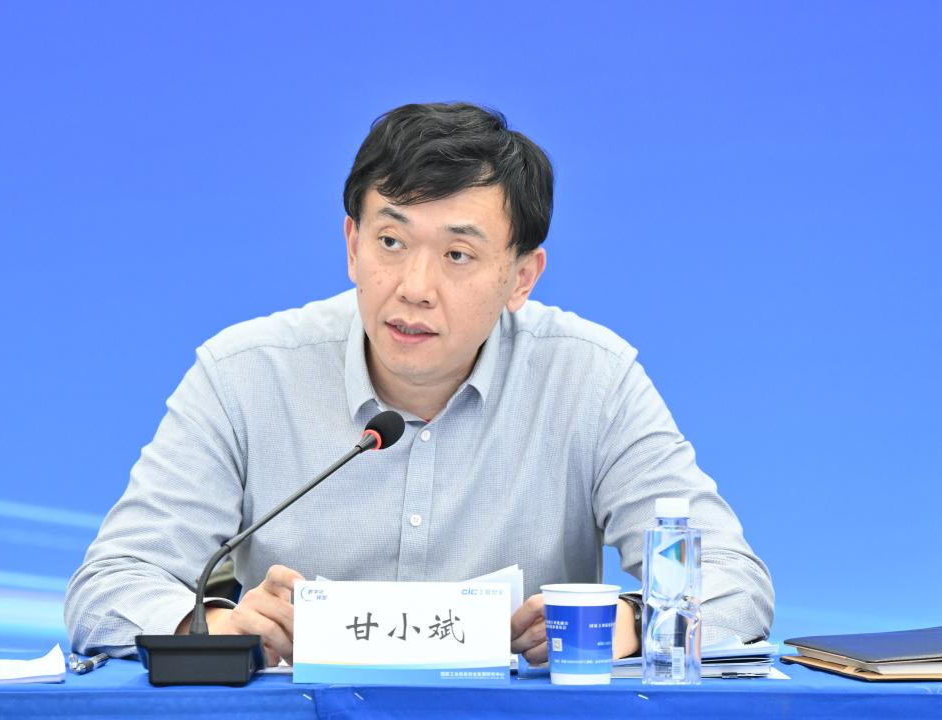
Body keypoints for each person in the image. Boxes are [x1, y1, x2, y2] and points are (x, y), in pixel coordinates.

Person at [65, 102, 774, 665]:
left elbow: (732, 583)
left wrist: (637, 621)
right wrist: (211, 627)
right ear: (351, 245)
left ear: (521, 276)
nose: (414, 287)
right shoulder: (245, 373)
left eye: (458, 254)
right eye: (391, 242)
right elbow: (110, 586)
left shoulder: (591, 378)